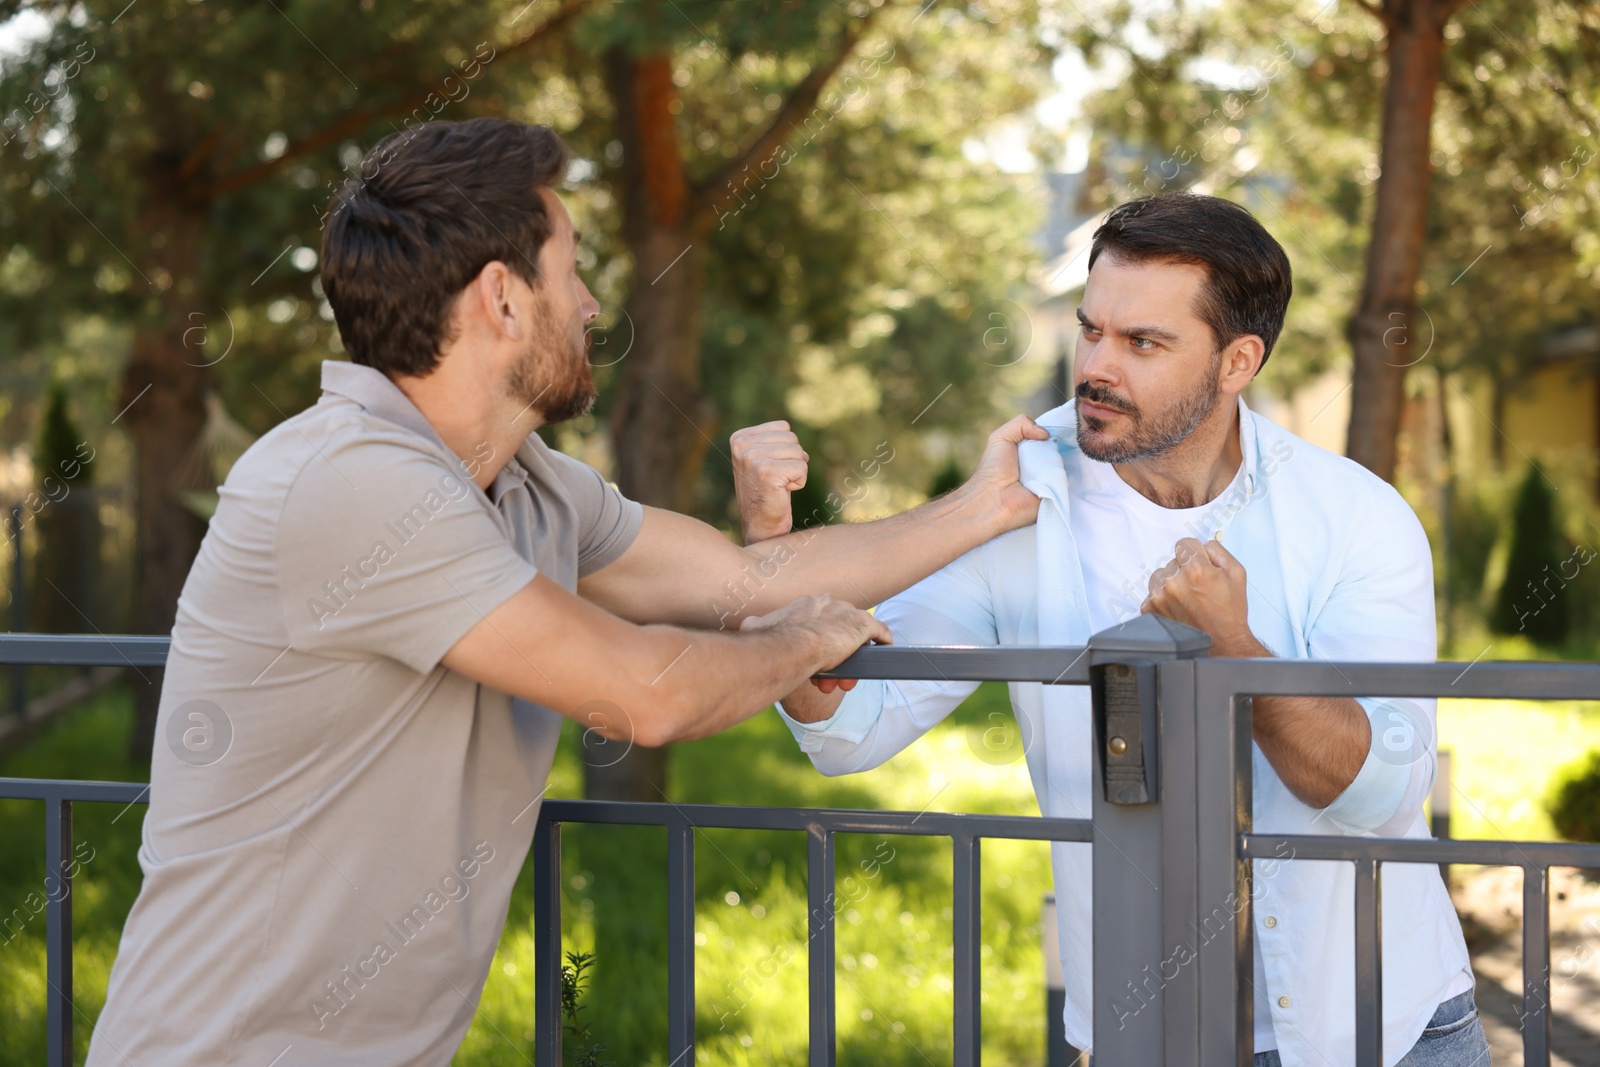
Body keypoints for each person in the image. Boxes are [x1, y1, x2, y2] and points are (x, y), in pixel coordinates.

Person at [84, 117, 1049, 1066]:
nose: (591, 305)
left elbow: (741, 579)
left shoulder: (530, 481)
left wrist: (982, 508)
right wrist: (800, 641)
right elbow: (648, 692)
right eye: (572, 268)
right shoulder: (350, 480)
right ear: (502, 298)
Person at [744, 193, 1488, 1067]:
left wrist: (1235, 653)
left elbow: (1381, 794)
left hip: (1384, 1028)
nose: (1096, 366)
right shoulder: (1016, 501)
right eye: (1089, 329)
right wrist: (771, 557)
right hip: (1144, 1035)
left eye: (1143, 343)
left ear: (1237, 361)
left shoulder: (1356, 517)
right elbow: (849, 728)